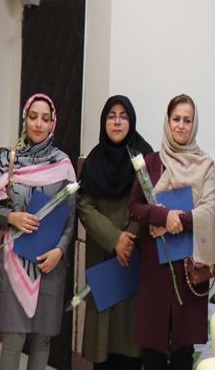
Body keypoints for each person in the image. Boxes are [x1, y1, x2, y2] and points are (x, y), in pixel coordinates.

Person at [129, 94, 215, 370]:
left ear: (194, 124)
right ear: (167, 122)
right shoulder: (150, 163)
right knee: (153, 352)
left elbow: (209, 209)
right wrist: (161, 216)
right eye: (176, 119)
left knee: (183, 351)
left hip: (188, 269)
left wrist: (176, 219)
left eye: (187, 120)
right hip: (155, 271)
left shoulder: (205, 165)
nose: (181, 125)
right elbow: (134, 208)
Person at [0, 94, 77, 370]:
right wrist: (11, 216)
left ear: (53, 123)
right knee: (13, 339)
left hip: (49, 263)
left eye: (45, 118)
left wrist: (60, 250)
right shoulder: (8, 159)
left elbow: (70, 217)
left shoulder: (63, 164)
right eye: (33, 116)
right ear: (24, 119)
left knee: (42, 339)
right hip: (13, 259)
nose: (38, 124)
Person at [78, 96, 152, 369]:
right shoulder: (94, 160)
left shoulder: (144, 157)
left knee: (130, 339)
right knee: (104, 340)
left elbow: (151, 201)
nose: (117, 122)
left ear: (131, 121)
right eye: (111, 116)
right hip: (103, 253)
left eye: (123, 116)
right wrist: (114, 238)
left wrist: (128, 238)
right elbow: (83, 204)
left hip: (134, 255)